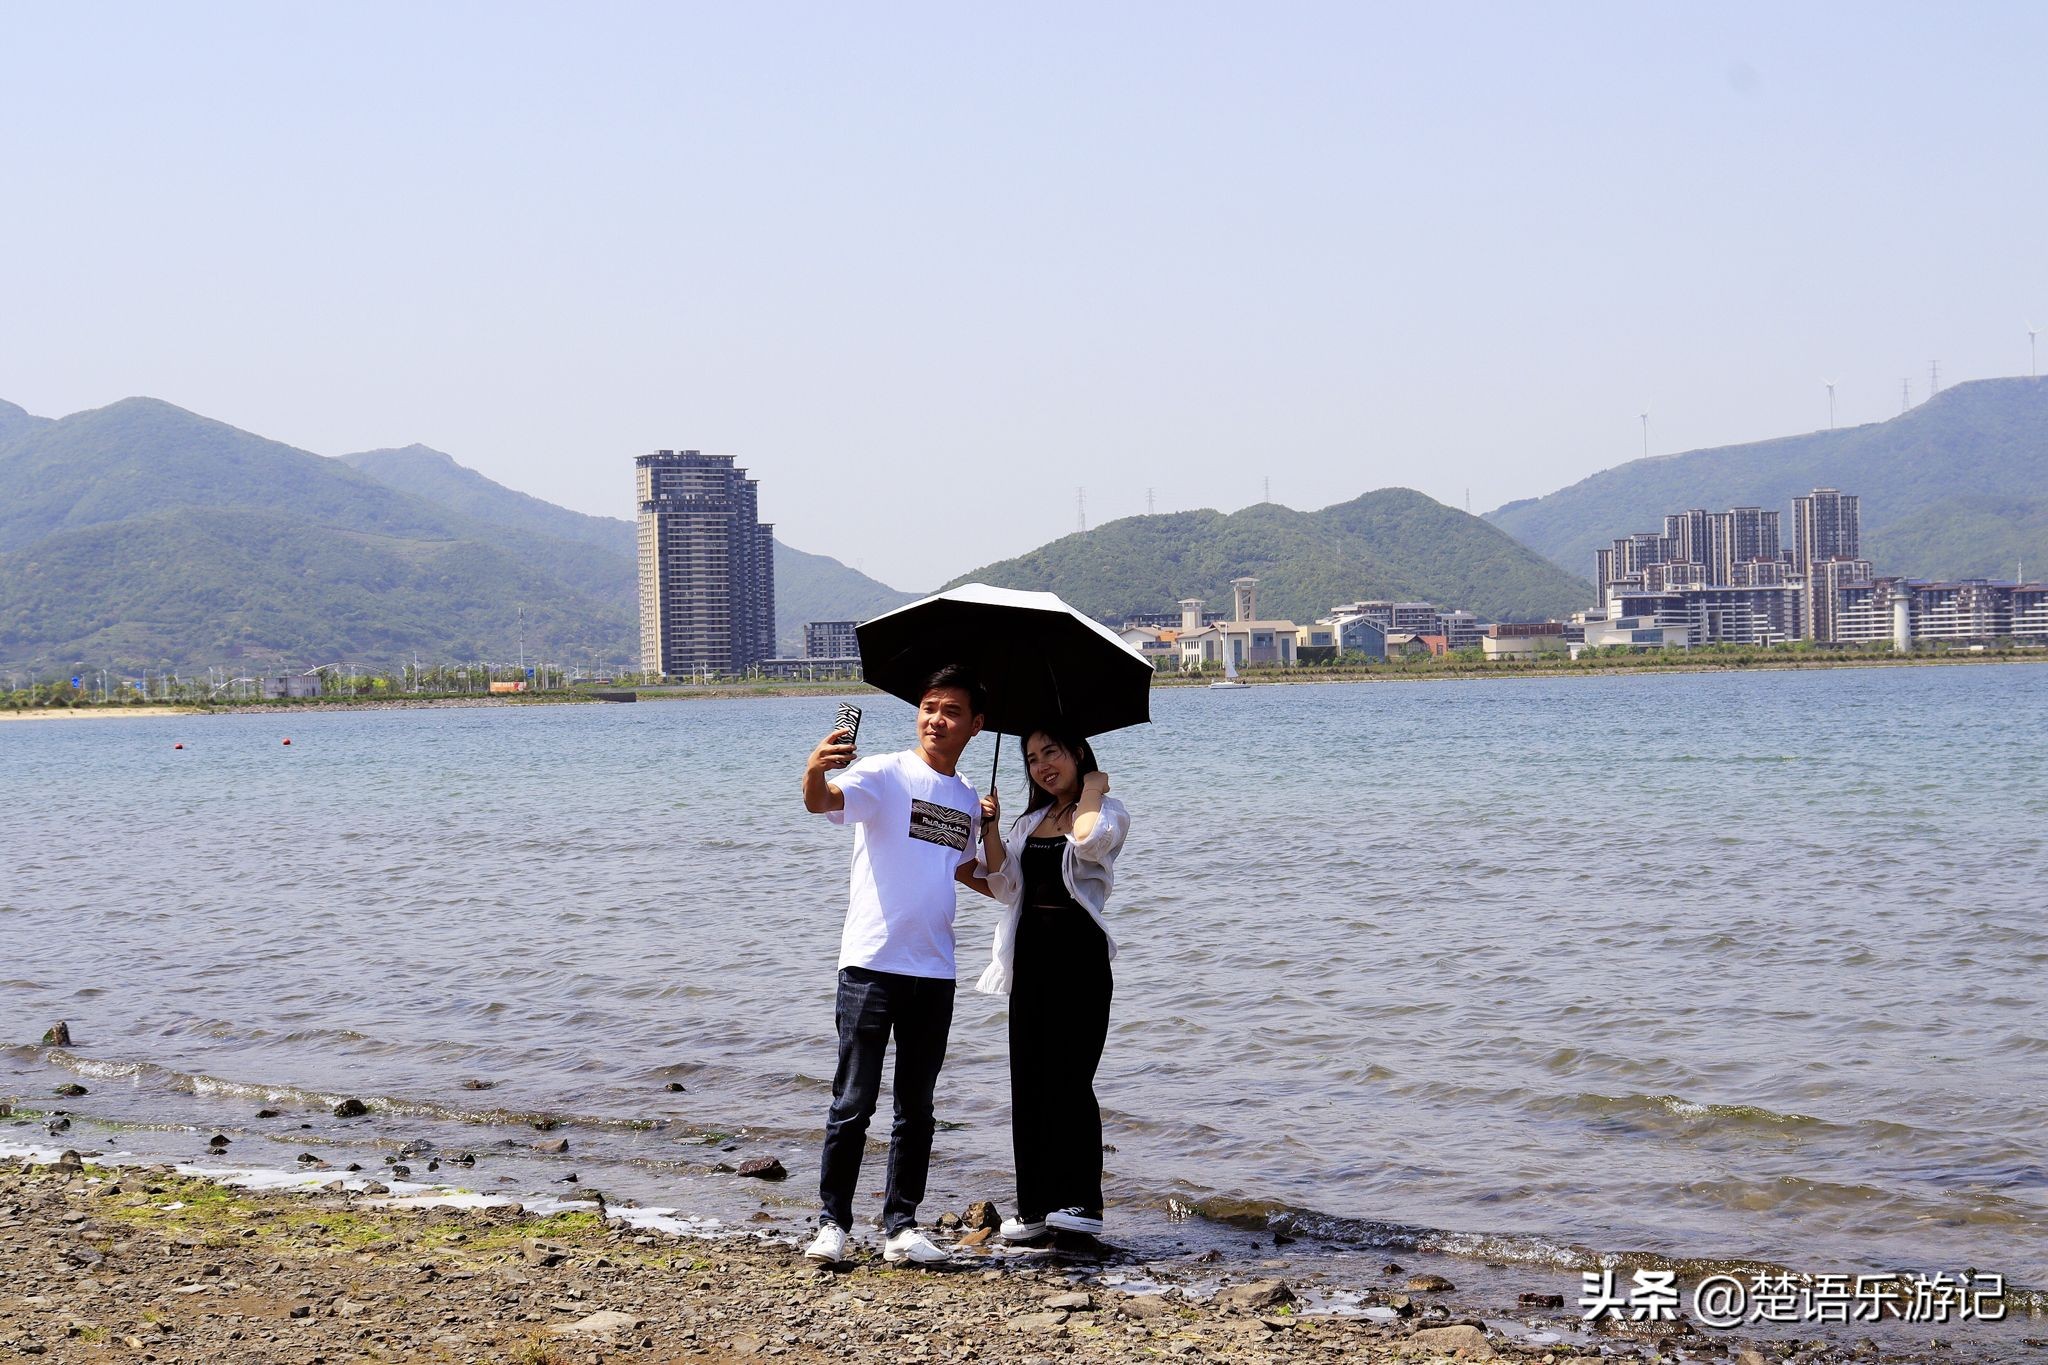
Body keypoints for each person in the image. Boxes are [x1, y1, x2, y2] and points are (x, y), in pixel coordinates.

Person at [799, 664, 990, 1266]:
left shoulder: (963, 798)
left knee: (917, 1108)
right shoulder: (882, 772)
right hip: (870, 964)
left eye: (951, 710)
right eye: (929, 706)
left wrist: (1002, 848)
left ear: (976, 725)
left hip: (935, 969)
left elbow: (962, 870)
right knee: (852, 1101)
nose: (937, 719)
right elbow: (820, 803)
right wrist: (814, 767)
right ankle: (832, 1224)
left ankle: (902, 1226)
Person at [974, 728, 1128, 1241]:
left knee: (1070, 1081)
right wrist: (991, 829)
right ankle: (1036, 1207)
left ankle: (1083, 1203)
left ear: (1078, 753)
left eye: (1052, 753)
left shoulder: (1107, 811)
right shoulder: (1030, 820)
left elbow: (1087, 841)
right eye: (1032, 758)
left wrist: (1092, 788)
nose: (1041, 765)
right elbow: (1005, 884)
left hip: (1080, 962)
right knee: (1031, 1084)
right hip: (1031, 961)